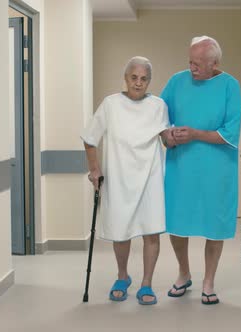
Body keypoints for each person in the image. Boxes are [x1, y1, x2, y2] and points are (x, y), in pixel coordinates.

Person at [81, 56, 175, 305]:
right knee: (120, 233)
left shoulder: (158, 106)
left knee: (151, 232)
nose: (138, 83)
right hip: (119, 177)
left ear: (149, 81)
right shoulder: (110, 104)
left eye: (144, 79)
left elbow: (166, 139)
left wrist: (175, 136)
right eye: (134, 77)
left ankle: (147, 284)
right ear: (126, 78)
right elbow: (90, 138)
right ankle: (122, 276)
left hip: (150, 177)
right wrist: (94, 169)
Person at [161, 36, 241, 305]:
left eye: (197, 64)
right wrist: (167, 135)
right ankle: (184, 274)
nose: (191, 68)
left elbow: (230, 133)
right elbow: (158, 117)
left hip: (216, 170)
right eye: (190, 62)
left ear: (214, 63)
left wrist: (195, 134)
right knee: (177, 223)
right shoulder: (176, 82)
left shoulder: (230, 86)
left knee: (214, 226)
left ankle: (209, 281)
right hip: (181, 167)